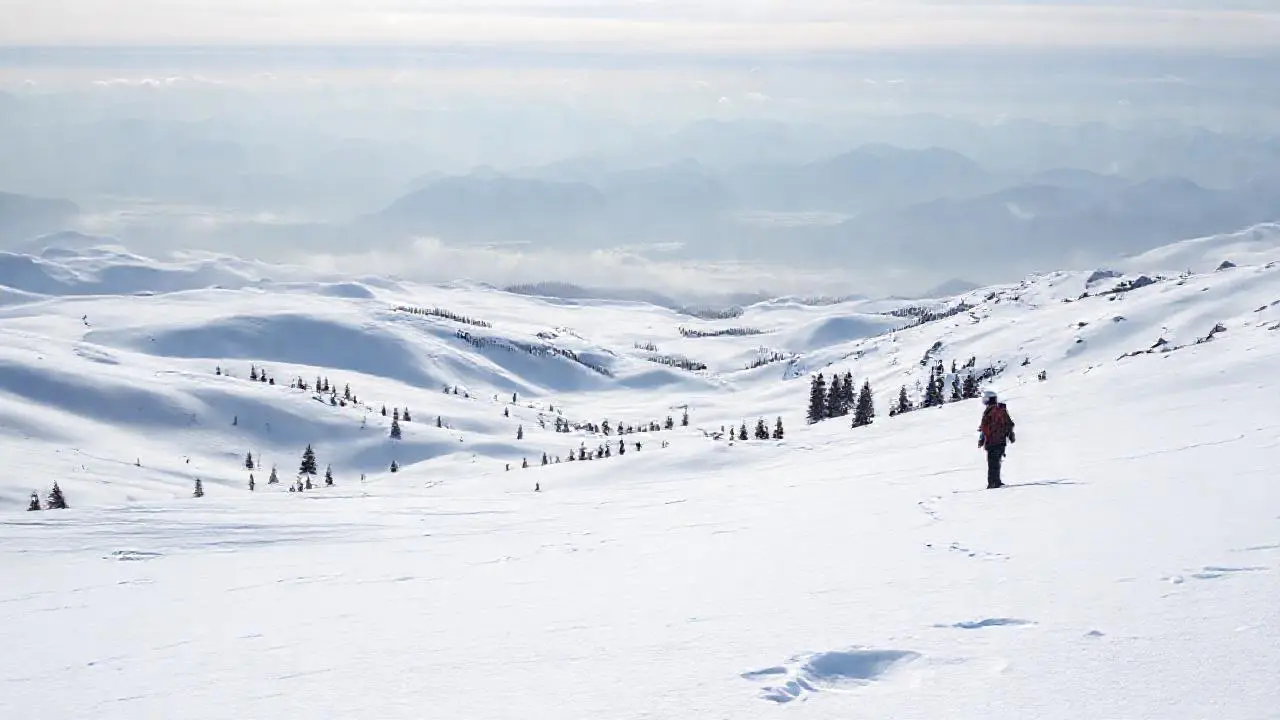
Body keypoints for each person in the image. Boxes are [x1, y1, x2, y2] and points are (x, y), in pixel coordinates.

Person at [977, 389, 1016, 488]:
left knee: (992, 462)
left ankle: (993, 483)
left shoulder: (989, 411)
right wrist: (1010, 434)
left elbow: (984, 426)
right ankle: (996, 481)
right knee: (997, 461)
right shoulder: (1001, 409)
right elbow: (1009, 423)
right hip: (1001, 440)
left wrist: (982, 439)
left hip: (992, 440)